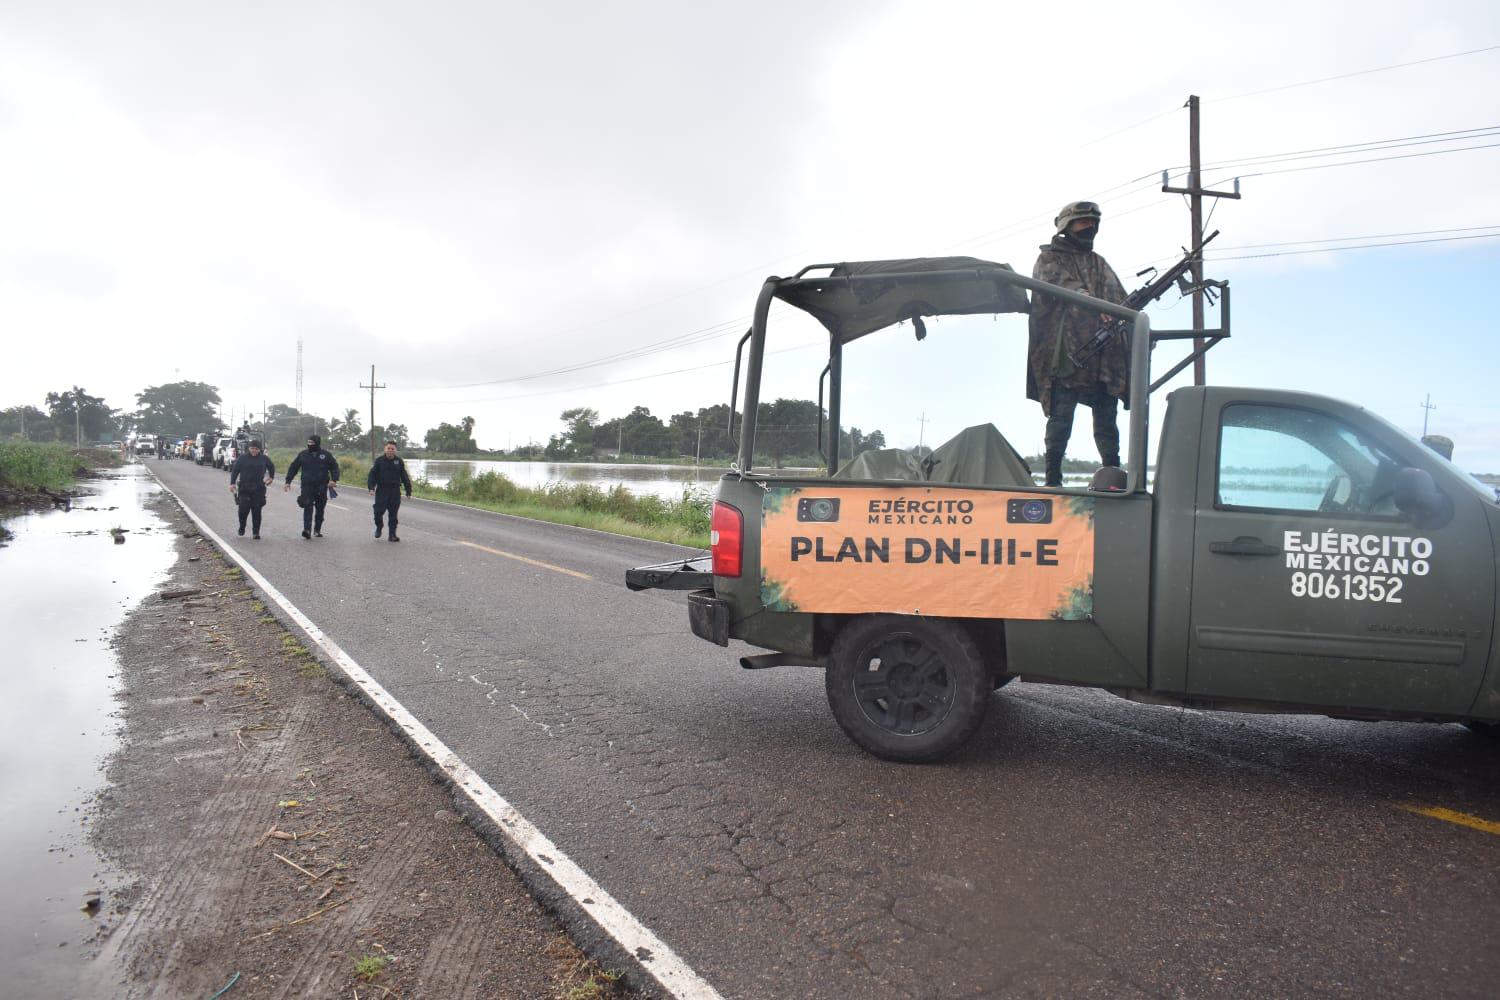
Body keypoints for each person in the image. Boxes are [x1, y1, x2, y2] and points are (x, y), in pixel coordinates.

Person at [1027, 200, 1128, 487]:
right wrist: (1090, 300)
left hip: (1102, 356)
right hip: (1066, 354)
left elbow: (1119, 296)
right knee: (1060, 421)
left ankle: (1113, 475)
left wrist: (1129, 320)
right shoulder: (1049, 259)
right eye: (1083, 222)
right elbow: (1062, 286)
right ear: (1067, 226)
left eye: (1093, 223)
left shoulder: (1098, 263)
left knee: (1107, 420)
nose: (1090, 228)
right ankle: (1053, 479)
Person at [283, 434, 340, 539]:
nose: (310, 445)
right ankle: (307, 530)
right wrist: (288, 481)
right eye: (308, 443)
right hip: (307, 486)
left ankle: (317, 530)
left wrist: (334, 479)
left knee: (320, 509)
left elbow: (334, 467)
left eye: (312, 443)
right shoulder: (303, 454)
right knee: (307, 507)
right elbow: (293, 467)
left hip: (322, 486)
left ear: (317, 443)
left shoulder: (326, 455)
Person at [366, 440, 413, 541]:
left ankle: (392, 535)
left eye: (392, 449)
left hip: (395, 491)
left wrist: (408, 490)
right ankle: (379, 527)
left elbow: (404, 476)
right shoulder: (379, 461)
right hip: (382, 490)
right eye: (388, 448)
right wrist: (371, 488)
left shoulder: (399, 461)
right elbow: (372, 475)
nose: (390, 450)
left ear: (395, 450)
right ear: (385, 449)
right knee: (378, 512)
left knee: (393, 515)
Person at [228, 440, 276, 539]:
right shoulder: (242, 458)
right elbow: (235, 470)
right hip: (244, 488)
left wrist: (271, 477)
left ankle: (256, 532)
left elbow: (271, 467)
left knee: (257, 511)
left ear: (259, 449)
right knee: (243, 510)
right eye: (252, 448)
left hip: (258, 488)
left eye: (256, 449)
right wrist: (232, 483)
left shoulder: (264, 459)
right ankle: (242, 527)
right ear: (249, 448)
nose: (254, 450)